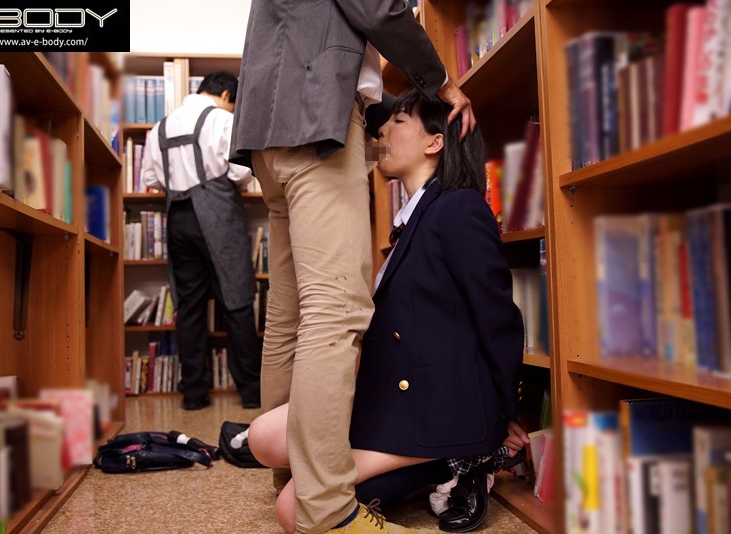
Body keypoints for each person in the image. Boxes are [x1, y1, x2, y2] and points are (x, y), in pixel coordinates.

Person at [230, 1, 475, 532]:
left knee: (292, 313)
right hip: (315, 120)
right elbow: (379, 9)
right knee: (335, 312)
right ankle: (328, 510)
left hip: (267, 130)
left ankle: (294, 478)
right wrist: (442, 82)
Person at [248, 89, 529, 534]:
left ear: (434, 142)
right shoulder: (409, 219)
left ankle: (462, 456)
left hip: (438, 406)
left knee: (295, 509)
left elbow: (497, 316)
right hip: (392, 393)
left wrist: (507, 411)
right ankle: (441, 467)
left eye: (398, 122)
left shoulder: (458, 206)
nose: (382, 133)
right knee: (262, 438)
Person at [142, 71, 261, 411]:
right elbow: (240, 172)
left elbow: (151, 178)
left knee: (190, 306)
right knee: (236, 301)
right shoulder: (222, 120)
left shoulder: (159, 128)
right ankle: (251, 392)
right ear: (225, 95)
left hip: (178, 216)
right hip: (217, 212)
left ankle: (194, 394)